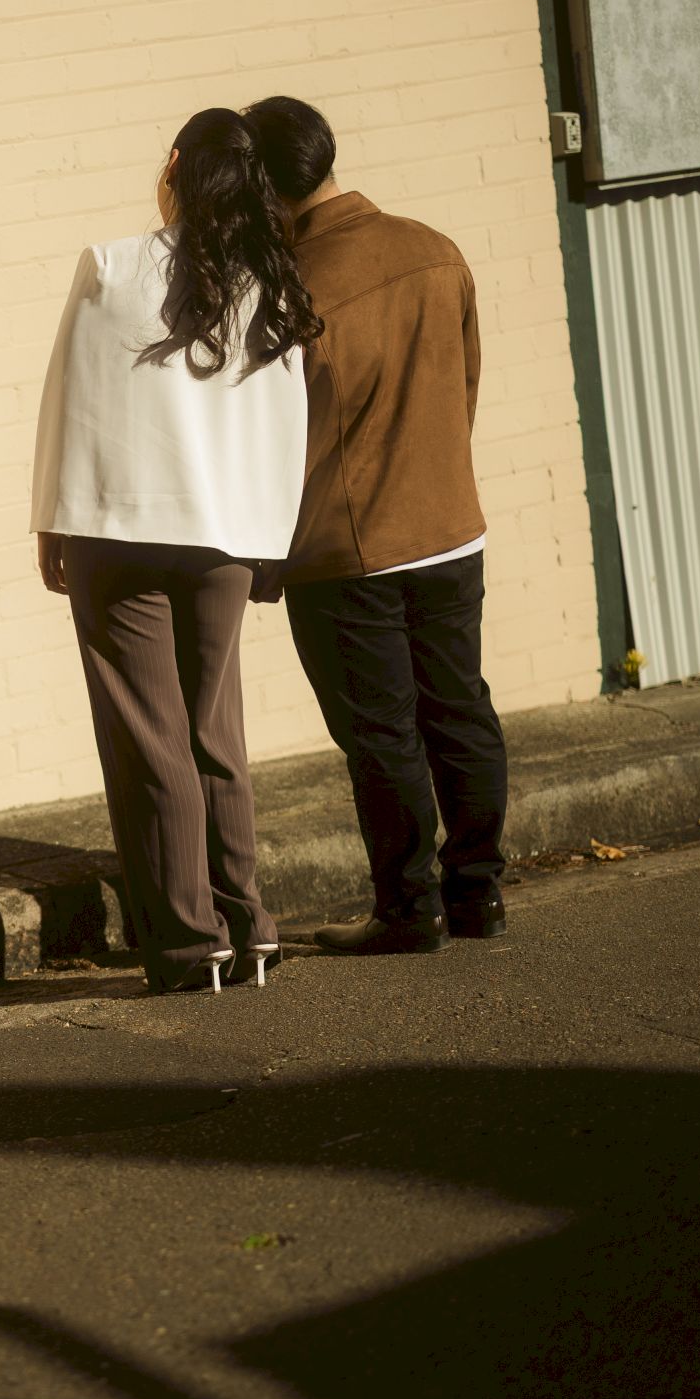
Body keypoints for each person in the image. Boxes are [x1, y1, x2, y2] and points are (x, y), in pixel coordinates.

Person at [31, 108, 318, 995]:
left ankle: (193, 946)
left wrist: (51, 520)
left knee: (150, 742)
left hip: (118, 530)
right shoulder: (270, 286)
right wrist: (270, 542)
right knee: (212, 729)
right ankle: (249, 927)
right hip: (225, 535)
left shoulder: (111, 266)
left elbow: (70, 399)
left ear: (174, 169)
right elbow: (285, 427)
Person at [241, 95, 509, 954]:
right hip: (449, 528)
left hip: (347, 552)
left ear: (264, 185)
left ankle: (407, 908)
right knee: (460, 710)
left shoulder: (289, 290)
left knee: (381, 736)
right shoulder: (435, 250)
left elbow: (281, 444)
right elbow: (464, 390)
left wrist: (264, 553)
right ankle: (478, 894)